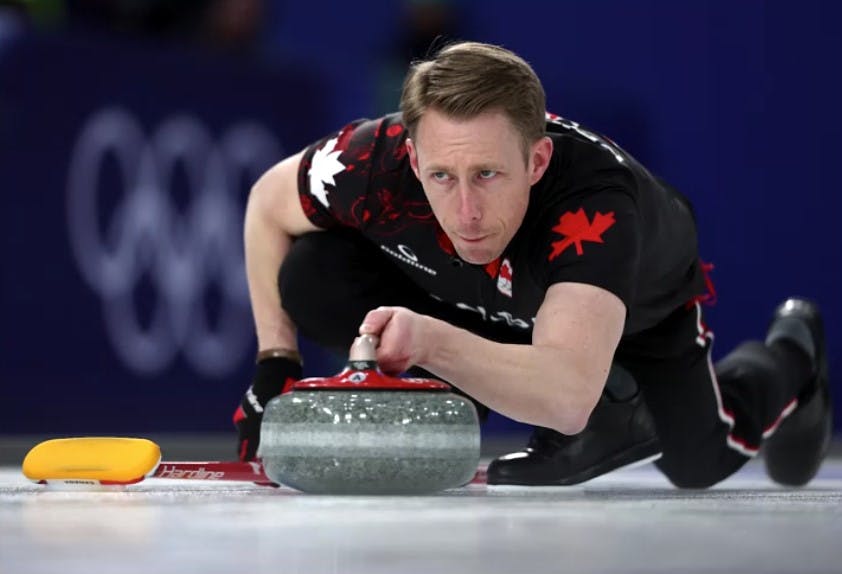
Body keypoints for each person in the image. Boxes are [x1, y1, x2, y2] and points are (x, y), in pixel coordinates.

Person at [233, 41, 831, 488]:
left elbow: (567, 394)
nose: (466, 211)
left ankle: (792, 356)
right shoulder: (372, 162)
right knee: (313, 274)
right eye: (442, 176)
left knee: (699, 460)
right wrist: (274, 362)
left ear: (538, 160)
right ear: (413, 160)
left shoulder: (591, 206)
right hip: (490, 303)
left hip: (636, 316)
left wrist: (433, 345)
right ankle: (593, 404)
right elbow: (266, 203)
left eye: (488, 174)